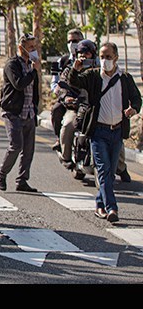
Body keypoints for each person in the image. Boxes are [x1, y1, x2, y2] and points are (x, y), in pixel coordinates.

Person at [67, 42, 141, 224]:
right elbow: (74, 82)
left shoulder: (124, 78)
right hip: (98, 132)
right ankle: (112, 208)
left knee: (109, 173)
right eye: (102, 56)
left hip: (116, 132)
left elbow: (137, 99)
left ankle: (100, 204)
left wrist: (132, 110)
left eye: (108, 56)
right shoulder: (93, 76)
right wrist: (74, 70)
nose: (104, 60)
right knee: (102, 169)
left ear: (116, 57)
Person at [0, 33, 40, 193]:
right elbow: (19, 84)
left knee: (28, 149)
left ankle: (22, 179)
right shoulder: (12, 65)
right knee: (16, 145)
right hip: (13, 112)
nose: (34, 50)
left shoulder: (31, 65)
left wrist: (35, 108)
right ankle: (2, 174)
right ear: (21, 48)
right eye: (30, 47)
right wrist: (34, 72)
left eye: (34, 47)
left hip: (29, 112)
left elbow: (34, 89)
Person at [55, 38, 95, 172]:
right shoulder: (69, 71)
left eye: (87, 53)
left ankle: (120, 166)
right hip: (76, 108)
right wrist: (66, 97)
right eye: (80, 53)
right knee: (68, 124)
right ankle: (66, 157)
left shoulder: (99, 71)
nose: (84, 56)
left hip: (95, 109)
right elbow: (60, 87)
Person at [49, 28, 84, 152]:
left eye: (75, 41)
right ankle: (60, 139)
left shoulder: (93, 60)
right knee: (56, 110)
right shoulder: (62, 61)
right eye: (69, 41)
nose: (72, 44)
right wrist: (62, 95)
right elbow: (55, 83)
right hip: (67, 98)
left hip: (86, 98)